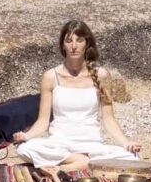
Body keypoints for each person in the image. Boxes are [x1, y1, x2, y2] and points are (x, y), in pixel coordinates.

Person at [14, 20, 140, 169]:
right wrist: (26, 136)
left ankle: (67, 166)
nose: (74, 46)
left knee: (133, 157)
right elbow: (43, 121)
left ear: (87, 44)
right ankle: (82, 162)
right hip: (60, 145)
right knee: (24, 148)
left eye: (79, 40)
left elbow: (108, 118)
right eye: (69, 41)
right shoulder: (50, 76)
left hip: (92, 145)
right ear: (63, 45)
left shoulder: (102, 75)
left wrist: (126, 143)